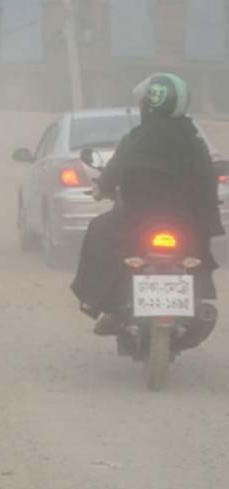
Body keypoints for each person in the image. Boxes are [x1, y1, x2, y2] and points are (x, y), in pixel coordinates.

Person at [71, 73, 223, 334]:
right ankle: (198, 302)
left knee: (99, 230)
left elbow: (115, 170)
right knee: (197, 251)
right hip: (185, 221)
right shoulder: (193, 140)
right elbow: (207, 179)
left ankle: (97, 301)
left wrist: (100, 188)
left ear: (149, 104)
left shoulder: (137, 139)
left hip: (137, 218)